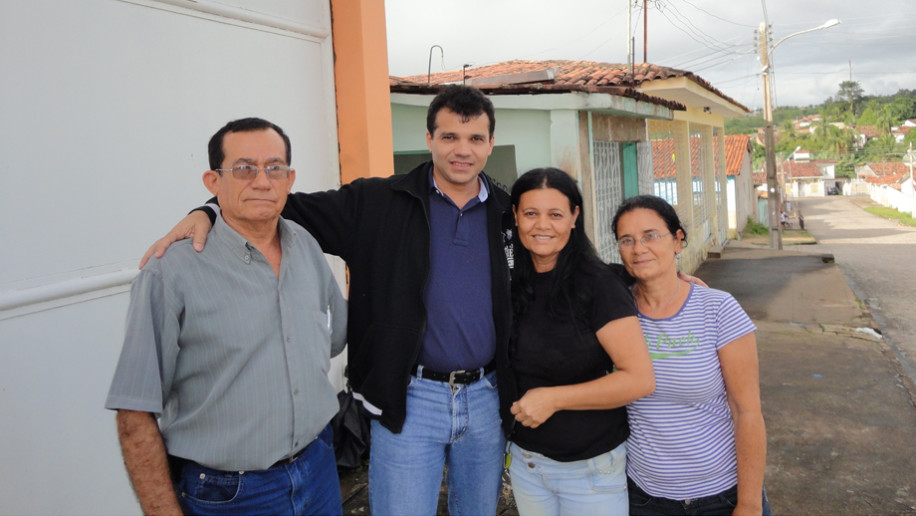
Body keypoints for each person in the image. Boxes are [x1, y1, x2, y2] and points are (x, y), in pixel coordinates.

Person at [140, 85, 512, 515]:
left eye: (474, 139)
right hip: (408, 398)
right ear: (429, 140)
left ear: (490, 145)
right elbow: (275, 204)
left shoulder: (510, 211)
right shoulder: (377, 203)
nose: (461, 150)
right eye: (449, 137)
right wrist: (207, 209)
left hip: (487, 395)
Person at [106, 118, 348, 515]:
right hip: (230, 495)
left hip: (318, 469)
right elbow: (134, 413)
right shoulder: (171, 272)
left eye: (274, 168)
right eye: (243, 168)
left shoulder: (305, 245)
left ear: (289, 179)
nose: (262, 181)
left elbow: (334, 333)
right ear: (213, 182)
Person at [504, 168, 655, 515]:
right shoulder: (509, 280)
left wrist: (553, 399)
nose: (542, 225)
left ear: (574, 217)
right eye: (530, 214)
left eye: (555, 214)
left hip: (591, 471)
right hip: (527, 466)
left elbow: (639, 379)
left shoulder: (598, 285)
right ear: (515, 216)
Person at [612, 195, 769, 516]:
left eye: (651, 236)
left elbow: (747, 411)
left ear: (678, 240)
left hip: (722, 496)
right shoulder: (614, 313)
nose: (639, 248)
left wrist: (749, 502)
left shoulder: (718, 308)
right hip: (645, 499)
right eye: (627, 240)